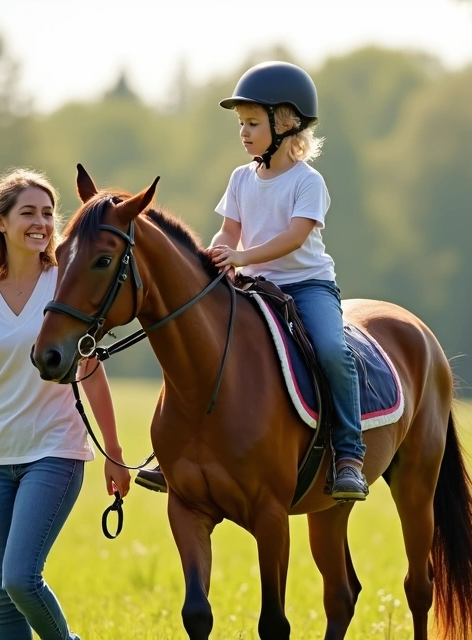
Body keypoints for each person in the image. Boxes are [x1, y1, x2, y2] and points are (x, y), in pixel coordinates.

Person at [134, 60, 369, 502]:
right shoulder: (241, 178)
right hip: (251, 285)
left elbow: (294, 236)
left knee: (334, 353)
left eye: (253, 123)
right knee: (196, 345)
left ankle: (349, 455)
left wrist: (241, 256)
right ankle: (170, 452)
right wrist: (217, 253)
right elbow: (230, 231)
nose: (243, 132)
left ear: (285, 124)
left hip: (305, 286)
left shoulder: (307, 182)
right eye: (240, 124)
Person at [0, 168, 131, 640]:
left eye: (47, 213)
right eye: (28, 213)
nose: (41, 222)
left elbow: (91, 371)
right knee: (3, 597)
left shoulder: (65, 281)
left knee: (21, 578)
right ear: (1, 222)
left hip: (55, 452)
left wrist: (115, 453)